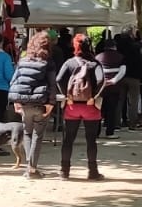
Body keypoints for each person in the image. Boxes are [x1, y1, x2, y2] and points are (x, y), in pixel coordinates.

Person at [56, 34, 105, 180]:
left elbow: (59, 79)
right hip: (90, 106)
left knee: (68, 139)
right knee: (91, 140)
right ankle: (93, 171)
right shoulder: (94, 63)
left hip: (72, 106)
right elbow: (102, 80)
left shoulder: (69, 63)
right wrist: (93, 97)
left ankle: (64, 171)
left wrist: (67, 95)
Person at [8, 34, 57, 179]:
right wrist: (51, 103)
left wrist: (16, 102)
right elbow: (52, 84)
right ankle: (32, 168)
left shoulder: (22, 61)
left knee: (28, 133)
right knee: (38, 135)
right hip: (40, 103)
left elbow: (14, 82)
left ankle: (29, 168)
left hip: (24, 103)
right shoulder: (48, 62)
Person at [95, 39, 127, 139]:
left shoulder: (98, 57)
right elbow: (123, 71)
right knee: (112, 110)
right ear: (114, 46)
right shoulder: (121, 57)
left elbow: (96, 71)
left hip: (100, 88)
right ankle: (110, 132)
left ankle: (96, 132)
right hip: (114, 88)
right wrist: (113, 81)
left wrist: (101, 82)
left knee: (98, 110)